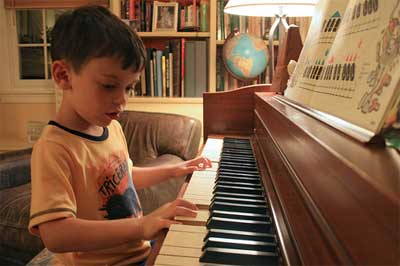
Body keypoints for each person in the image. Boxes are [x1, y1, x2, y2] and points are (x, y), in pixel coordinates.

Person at [28, 5, 211, 266]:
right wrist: (142, 226)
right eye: (109, 86)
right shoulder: (54, 147)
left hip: (139, 254)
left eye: (129, 87)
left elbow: (124, 177)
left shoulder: (110, 127)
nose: (122, 100)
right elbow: (55, 234)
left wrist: (176, 169)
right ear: (63, 75)